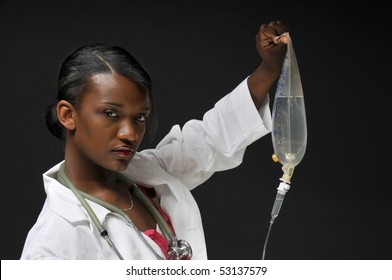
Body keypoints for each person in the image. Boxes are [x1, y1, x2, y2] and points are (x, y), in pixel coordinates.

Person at [20, 20, 289, 260]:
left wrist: (268, 69)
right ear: (68, 115)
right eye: (111, 113)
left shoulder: (146, 176)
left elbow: (211, 138)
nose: (130, 133)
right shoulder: (52, 245)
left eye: (139, 117)